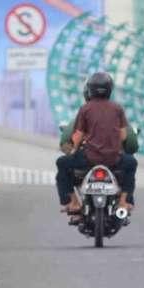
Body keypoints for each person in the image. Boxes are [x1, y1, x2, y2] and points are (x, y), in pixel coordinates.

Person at [55, 72, 138, 220]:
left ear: (89, 90)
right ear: (110, 90)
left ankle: (73, 203)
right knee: (131, 163)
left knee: (61, 163)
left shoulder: (85, 109)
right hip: (114, 159)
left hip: (90, 159)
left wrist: (73, 150)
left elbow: (78, 135)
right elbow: (124, 136)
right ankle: (124, 202)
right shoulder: (117, 109)